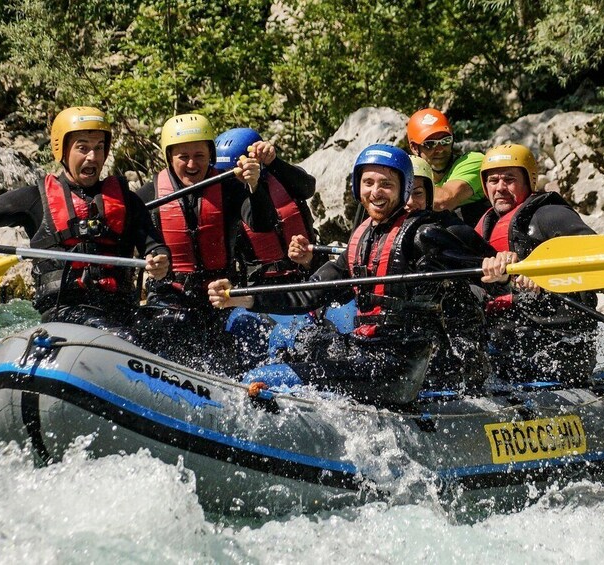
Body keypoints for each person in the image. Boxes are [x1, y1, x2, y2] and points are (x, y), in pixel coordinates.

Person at [209, 144, 491, 406]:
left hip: (400, 368)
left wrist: (498, 268)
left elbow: (483, 271)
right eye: (368, 183)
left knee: (264, 379)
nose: (376, 192)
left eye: (386, 185)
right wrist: (242, 298)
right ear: (358, 188)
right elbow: (308, 294)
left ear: (404, 190)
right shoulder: (362, 240)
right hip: (367, 351)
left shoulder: (424, 236)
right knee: (287, 340)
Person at [0, 106, 170, 334]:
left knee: (161, 332)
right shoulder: (34, 199)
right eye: (82, 148)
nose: (92, 156)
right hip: (65, 312)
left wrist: (159, 260)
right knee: (120, 335)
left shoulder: (127, 201)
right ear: (62, 150)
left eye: (99, 148)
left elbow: (154, 245)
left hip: (120, 309)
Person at [134, 114, 277, 370]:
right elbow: (132, 240)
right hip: (169, 296)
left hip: (219, 296)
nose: (192, 164)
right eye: (183, 157)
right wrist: (148, 259)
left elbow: (263, 224)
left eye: (199, 155)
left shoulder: (229, 187)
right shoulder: (148, 195)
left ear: (210, 154)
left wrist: (255, 186)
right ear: (169, 158)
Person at [476, 143, 598, 386]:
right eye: (493, 180)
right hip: (511, 334)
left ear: (529, 181)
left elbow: (593, 256)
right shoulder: (485, 226)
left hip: (561, 340)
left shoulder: (550, 215)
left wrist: (542, 273)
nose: (500, 187)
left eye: (509, 179)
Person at [215, 127, 320, 284]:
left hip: (309, 268)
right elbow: (261, 222)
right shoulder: (226, 197)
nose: (232, 176)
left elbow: (308, 188)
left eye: (233, 169)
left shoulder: (282, 175)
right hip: (261, 282)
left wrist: (273, 161)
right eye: (226, 171)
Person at [407, 108, 488, 226]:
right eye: (430, 144)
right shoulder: (412, 173)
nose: (440, 149)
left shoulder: (473, 161)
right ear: (414, 147)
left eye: (445, 141)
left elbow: (443, 201)